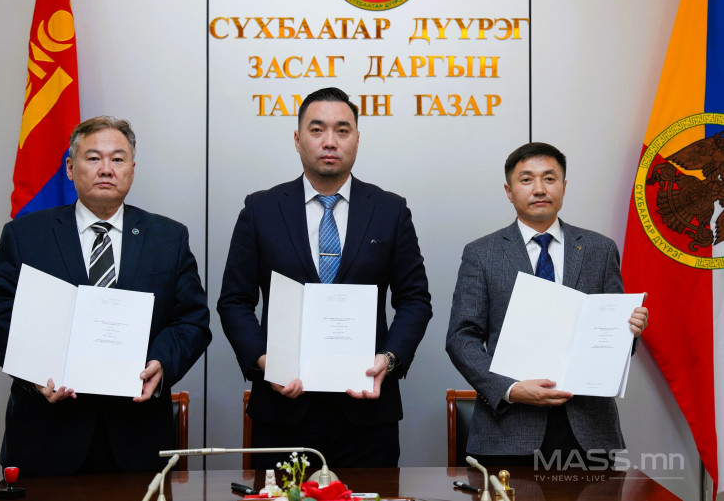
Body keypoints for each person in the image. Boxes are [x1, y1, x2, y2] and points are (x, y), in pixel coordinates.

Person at [0, 116, 211, 475]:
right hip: (47, 432)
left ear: (132, 169)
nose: (106, 169)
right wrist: (34, 370)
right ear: (70, 169)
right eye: (93, 158)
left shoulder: (168, 237)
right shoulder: (26, 235)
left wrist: (161, 363)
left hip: (137, 435)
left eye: (117, 159)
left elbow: (192, 318)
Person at [218, 86, 432, 468]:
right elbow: (235, 300)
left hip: (367, 414)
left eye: (342, 130)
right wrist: (265, 361)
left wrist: (389, 359)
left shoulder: (389, 210)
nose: (330, 141)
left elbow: (414, 299)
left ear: (357, 139)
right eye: (317, 130)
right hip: (283, 410)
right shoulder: (261, 209)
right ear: (297, 139)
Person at [445, 142, 649, 468]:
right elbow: (461, 338)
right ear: (509, 191)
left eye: (549, 178)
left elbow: (615, 344)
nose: (539, 189)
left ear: (564, 187)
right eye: (526, 179)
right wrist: (510, 389)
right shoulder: (482, 253)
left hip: (587, 431)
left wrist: (629, 331)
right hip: (508, 430)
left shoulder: (599, 249)